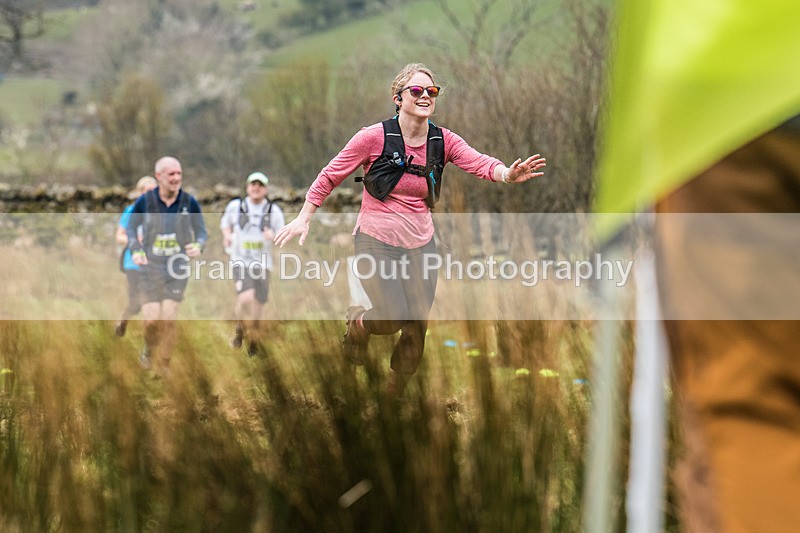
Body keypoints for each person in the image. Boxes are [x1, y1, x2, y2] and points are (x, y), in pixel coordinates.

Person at [274, 63, 546, 397]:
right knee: (391, 318)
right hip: (376, 239)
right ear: (398, 98)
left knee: (417, 322)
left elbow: (479, 162)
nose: (424, 96)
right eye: (416, 91)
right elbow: (331, 174)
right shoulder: (373, 137)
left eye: (431, 91)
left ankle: (393, 398)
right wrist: (305, 216)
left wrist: (507, 174)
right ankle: (359, 324)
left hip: (421, 242)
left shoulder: (442, 140)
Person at [126, 156, 207, 376]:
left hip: (176, 269)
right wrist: (136, 250)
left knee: (168, 317)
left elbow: (201, 232)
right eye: (171, 174)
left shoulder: (189, 202)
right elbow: (131, 229)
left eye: (179, 173)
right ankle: (149, 349)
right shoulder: (145, 202)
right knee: (152, 321)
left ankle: (164, 364)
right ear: (158, 176)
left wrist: (198, 246)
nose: (176, 178)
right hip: (149, 268)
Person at [220, 171, 285, 357]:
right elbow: (225, 224)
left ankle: (254, 341)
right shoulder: (236, 206)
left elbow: (281, 234)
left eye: (260, 185)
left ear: (265, 189)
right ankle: (240, 329)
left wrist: (272, 236)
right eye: (252, 184)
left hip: (263, 264)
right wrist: (226, 236)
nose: (256, 188)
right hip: (240, 261)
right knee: (245, 298)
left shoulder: (273, 210)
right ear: (247, 187)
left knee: (258, 305)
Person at [115, 175, 158, 337]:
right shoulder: (131, 211)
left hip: (154, 265)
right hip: (133, 263)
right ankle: (123, 320)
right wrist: (134, 240)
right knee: (136, 303)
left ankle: (150, 338)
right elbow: (119, 237)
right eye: (148, 192)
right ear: (140, 193)